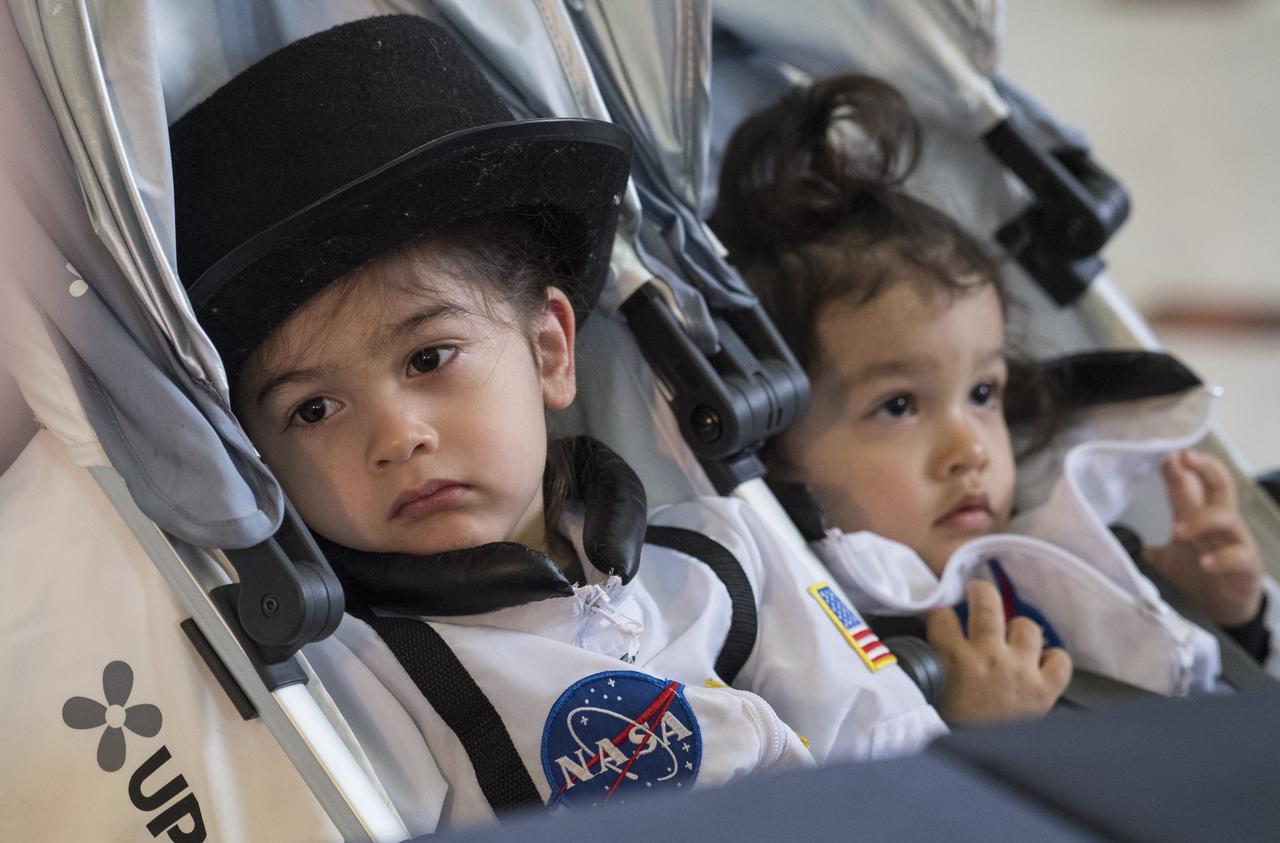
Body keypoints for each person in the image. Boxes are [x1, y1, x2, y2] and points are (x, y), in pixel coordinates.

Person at [171, 18, 944, 833]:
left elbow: (891, 741)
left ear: (549, 351)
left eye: (430, 358)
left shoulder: (719, 556)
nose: (397, 436)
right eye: (313, 409)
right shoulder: (360, 680)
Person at [710, 74, 1271, 718]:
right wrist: (982, 735)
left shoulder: (1055, 557)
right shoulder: (811, 651)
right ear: (775, 444)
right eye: (898, 405)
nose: (969, 449)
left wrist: (1226, 617)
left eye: (983, 392)